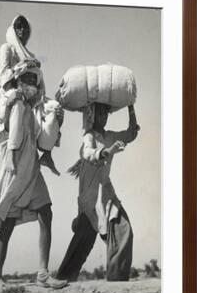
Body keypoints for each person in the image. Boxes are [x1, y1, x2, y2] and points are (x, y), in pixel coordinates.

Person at [0, 15, 67, 291]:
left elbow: (43, 136)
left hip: (31, 161)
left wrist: (53, 119)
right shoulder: (12, 96)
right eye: (18, 25)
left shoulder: (34, 107)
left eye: (26, 27)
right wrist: (10, 155)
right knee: (8, 218)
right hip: (12, 159)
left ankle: (43, 273)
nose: (22, 30)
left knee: (46, 210)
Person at [56, 103, 139, 282]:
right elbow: (88, 153)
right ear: (91, 116)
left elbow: (131, 133)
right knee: (83, 241)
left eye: (105, 112)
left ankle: (117, 279)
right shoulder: (89, 136)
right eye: (99, 113)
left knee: (123, 230)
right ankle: (63, 278)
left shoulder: (109, 136)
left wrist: (130, 108)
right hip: (90, 197)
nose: (104, 116)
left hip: (105, 193)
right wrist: (109, 151)